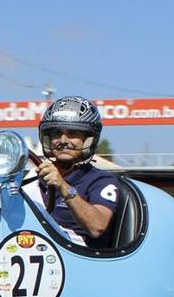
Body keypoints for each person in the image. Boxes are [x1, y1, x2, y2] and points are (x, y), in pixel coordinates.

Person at [33, 96, 120, 248]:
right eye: (56, 133)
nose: (63, 140)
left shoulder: (102, 181)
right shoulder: (34, 178)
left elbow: (97, 227)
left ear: (88, 140)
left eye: (73, 133)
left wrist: (63, 186)